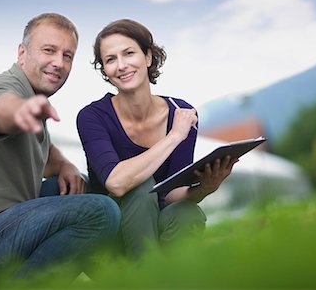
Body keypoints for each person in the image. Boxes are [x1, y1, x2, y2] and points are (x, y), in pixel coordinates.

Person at [0, 13, 120, 289]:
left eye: (67, 55)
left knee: (75, 187)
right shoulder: (5, 88)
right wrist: (20, 111)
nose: (58, 63)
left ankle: (123, 277)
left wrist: (64, 165)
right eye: (49, 50)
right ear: (22, 52)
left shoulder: (31, 96)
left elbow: (44, 149)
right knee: (100, 212)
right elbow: (1, 110)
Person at [76, 19, 238, 259]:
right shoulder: (92, 116)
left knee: (187, 213)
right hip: (110, 236)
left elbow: (173, 193)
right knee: (140, 185)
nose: (121, 66)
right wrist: (174, 136)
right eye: (110, 59)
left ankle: (172, 278)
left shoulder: (181, 113)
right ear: (105, 72)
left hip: (162, 226)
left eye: (129, 53)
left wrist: (205, 188)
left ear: (148, 57)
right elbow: (116, 182)